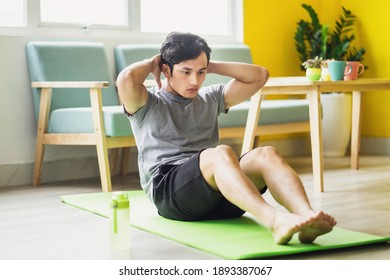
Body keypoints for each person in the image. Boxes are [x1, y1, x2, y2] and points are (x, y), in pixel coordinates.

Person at [117, 32, 336, 245]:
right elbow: (126, 78)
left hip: (221, 195)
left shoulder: (209, 97)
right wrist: (152, 63)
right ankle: (274, 220)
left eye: (201, 72)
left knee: (266, 154)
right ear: (166, 70)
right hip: (171, 195)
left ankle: (308, 218)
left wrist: (208, 65)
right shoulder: (147, 103)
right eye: (186, 72)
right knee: (221, 153)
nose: (195, 81)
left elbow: (260, 75)